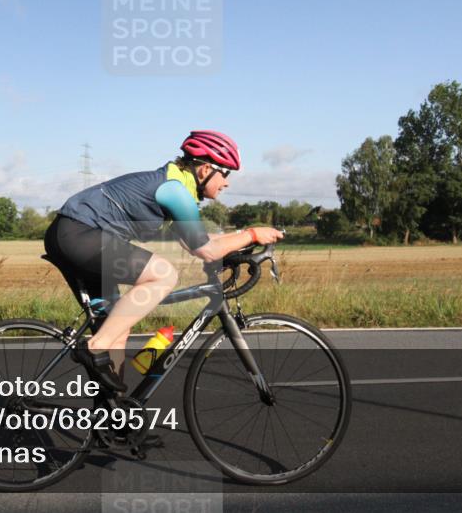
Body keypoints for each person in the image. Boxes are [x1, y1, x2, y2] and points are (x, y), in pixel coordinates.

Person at [43, 130, 284, 392]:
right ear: (205, 169)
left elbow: (195, 240)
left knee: (116, 329)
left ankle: (116, 421)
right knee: (163, 274)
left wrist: (242, 238)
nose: (227, 183)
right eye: (225, 173)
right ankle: (95, 348)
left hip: (73, 233)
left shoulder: (173, 183)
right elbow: (207, 250)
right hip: (79, 233)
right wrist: (252, 234)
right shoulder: (174, 190)